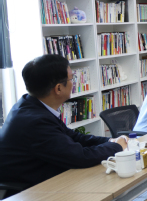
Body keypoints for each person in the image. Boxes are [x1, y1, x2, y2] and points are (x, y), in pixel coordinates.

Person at [0, 55, 127, 192]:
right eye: (72, 79)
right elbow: (79, 157)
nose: (74, 83)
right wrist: (116, 146)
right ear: (59, 88)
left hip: (48, 175)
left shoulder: (31, 105)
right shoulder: (35, 121)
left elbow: (73, 137)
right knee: (112, 183)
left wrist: (109, 141)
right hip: (32, 191)